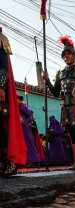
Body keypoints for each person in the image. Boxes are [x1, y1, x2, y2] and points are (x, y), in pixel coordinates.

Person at [44, 35, 75, 169]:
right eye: (64, 55)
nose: (66, 57)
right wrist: (47, 81)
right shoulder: (60, 73)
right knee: (72, 134)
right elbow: (55, 92)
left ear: (74, 55)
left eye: (68, 54)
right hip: (66, 109)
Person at [0, 28, 26, 175]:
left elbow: (3, 67)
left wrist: (1, 87)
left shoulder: (1, 39)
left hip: (0, 90)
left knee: (2, 127)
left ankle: (9, 161)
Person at [18, 95, 41, 165]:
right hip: (22, 128)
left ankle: (34, 161)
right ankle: (29, 161)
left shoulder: (22, 106)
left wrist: (24, 121)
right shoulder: (19, 107)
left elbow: (30, 115)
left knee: (29, 143)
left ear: (19, 100)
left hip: (25, 128)